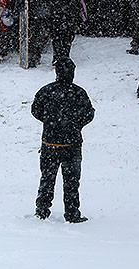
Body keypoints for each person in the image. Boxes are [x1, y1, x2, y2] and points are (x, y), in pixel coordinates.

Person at [31, 58, 95, 223]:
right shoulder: (79, 93)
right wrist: (75, 126)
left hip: (49, 143)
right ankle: (72, 213)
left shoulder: (46, 91)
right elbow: (89, 114)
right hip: (71, 145)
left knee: (47, 178)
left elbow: (35, 110)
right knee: (72, 182)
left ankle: (42, 210)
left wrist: (50, 123)